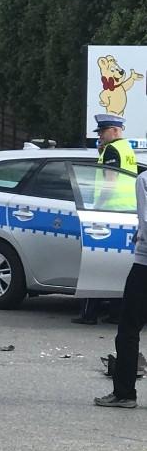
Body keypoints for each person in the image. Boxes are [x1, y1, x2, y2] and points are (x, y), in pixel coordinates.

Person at [72, 113, 135, 325]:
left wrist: (97, 205)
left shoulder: (112, 150)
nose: (99, 136)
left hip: (108, 213)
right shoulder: (127, 149)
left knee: (95, 264)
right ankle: (115, 313)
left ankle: (88, 313)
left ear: (115, 131)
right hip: (126, 213)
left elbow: (109, 181)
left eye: (102, 131)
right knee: (116, 267)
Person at [94, 169, 147, 408]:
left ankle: (125, 393)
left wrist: (141, 236)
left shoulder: (144, 179)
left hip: (145, 266)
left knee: (128, 329)